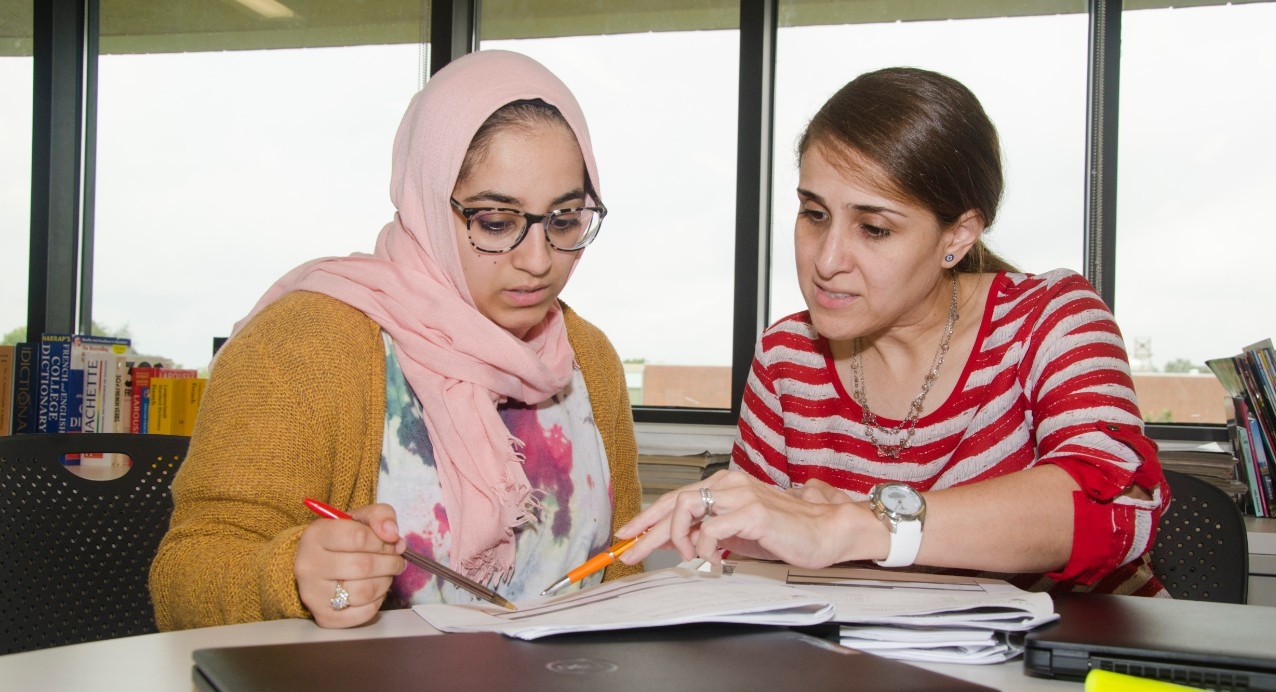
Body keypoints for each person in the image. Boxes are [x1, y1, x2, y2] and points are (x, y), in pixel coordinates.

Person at [617, 67, 1168, 597]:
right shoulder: (788, 355)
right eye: (813, 214)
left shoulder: (1049, 317)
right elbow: (755, 560)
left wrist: (854, 524)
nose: (827, 260)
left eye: (874, 228)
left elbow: (1118, 508)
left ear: (957, 236)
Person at [149, 50, 643, 630]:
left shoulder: (589, 359)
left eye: (563, 221)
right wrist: (293, 576)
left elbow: (621, 571)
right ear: (427, 202)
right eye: (494, 223)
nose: (537, 262)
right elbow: (185, 577)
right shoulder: (298, 349)